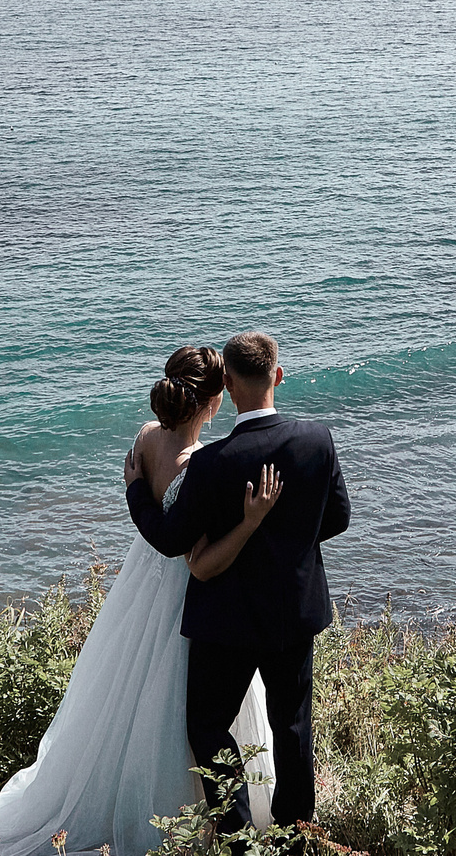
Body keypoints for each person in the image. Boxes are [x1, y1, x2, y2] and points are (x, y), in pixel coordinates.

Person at [0, 346, 285, 856]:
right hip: (187, 596)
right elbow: (192, 546)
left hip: (140, 585)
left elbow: (150, 520)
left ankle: (125, 794)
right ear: (213, 403)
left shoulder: (146, 440)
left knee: (125, 693)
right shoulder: (206, 464)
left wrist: (137, 495)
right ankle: (201, 815)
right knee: (187, 702)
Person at [126, 332, 353, 841]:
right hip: (293, 614)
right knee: (293, 728)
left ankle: (240, 836)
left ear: (226, 385)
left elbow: (169, 540)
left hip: (224, 624)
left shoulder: (212, 463)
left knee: (207, 728)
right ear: (277, 375)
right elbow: (337, 517)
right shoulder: (317, 439)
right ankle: (297, 838)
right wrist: (286, 540)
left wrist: (136, 491)